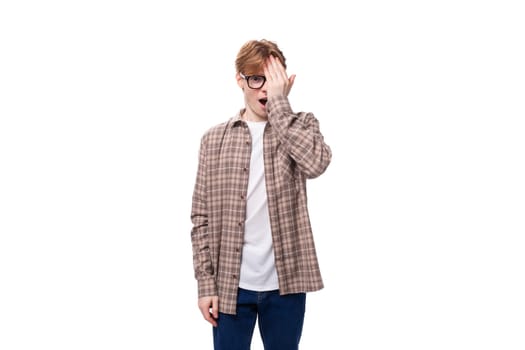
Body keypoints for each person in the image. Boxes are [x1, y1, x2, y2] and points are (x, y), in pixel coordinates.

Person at [190, 39, 332, 350]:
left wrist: (281, 106)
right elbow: (200, 219)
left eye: (274, 79)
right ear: (240, 80)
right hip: (230, 285)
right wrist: (205, 284)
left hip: (286, 285)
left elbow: (316, 164)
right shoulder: (213, 140)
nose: (265, 89)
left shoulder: (301, 125)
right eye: (257, 79)